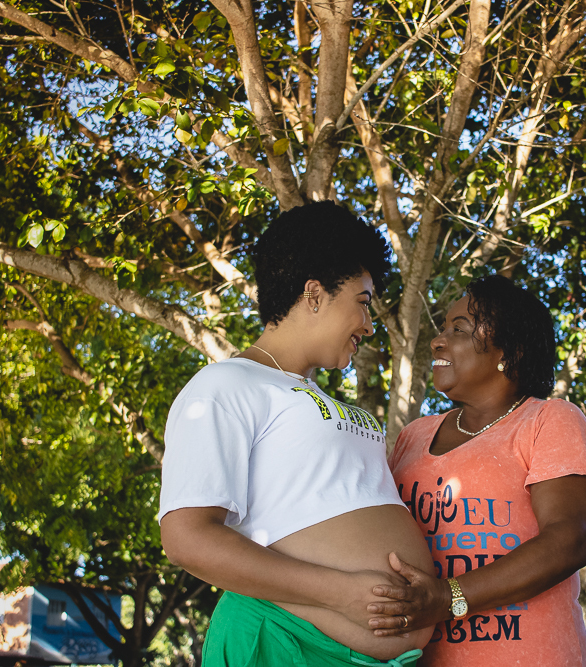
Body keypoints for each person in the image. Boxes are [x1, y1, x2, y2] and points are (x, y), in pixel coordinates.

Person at [158, 201, 434, 666]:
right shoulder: (226, 384)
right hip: (284, 642)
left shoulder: (319, 398)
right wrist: (340, 593)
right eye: (363, 303)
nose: (368, 326)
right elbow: (186, 537)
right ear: (313, 294)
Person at [372, 274, 586, 666]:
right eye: (442, 328)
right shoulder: (413, 436)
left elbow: (570, 539)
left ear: (508, 351)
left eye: (459, 329)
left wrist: (447, 598)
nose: (438, 340)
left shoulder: (549, 421)